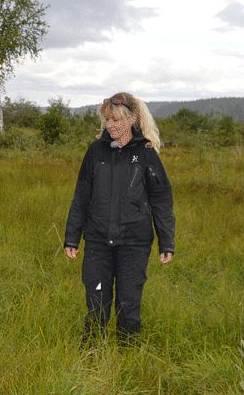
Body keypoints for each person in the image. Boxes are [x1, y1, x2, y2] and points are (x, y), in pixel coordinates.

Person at [63, 92, 175, 345]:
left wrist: (166, 241)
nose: (110, 125)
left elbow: (161, 200)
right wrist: (72, 237)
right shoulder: (96, 151)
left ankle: (128, 355)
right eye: (107, 120)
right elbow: (81, 195)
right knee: (96, 300)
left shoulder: (146, 154)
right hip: (98, 241)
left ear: (133, 118)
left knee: (128, 302)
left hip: (134, 243)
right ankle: (91, 352)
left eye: (116, 120)